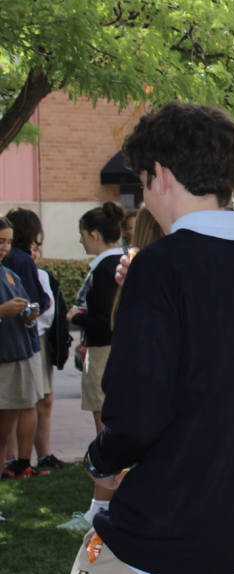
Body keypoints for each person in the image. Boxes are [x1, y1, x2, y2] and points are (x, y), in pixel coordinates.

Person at [60, 101, 234, 574]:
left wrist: (102, 460)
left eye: (143, 183)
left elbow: (138, 412)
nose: (143, 197)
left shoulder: (162, 266)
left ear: (161, 175)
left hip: (163, 534)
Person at [55, 202, 127, 530]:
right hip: (120, 356)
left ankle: (99, 510)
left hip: (104, 357)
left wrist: (75, 316)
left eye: (83, 235)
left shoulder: (104, 268)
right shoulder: (125, 262)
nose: (82, 242)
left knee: (107, 436)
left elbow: (105, 322)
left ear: (95, 234)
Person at [2, 208, 49, 478]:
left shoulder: (9, 272)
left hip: (16, 352)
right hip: (7, 356)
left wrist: (29, 314)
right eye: (0, 242)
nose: (5, 248)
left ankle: (16, 467)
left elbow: (29, 305)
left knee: (5, 431)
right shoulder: (17, 264)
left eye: (8, 241)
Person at [32, 241, 71, 470]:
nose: (34, 253)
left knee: (45, 400)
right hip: (27, 342)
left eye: (36, 246)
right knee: (24, 404)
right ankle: (16, 460)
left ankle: (44, 455)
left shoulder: (44, 276)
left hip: (44, 341)